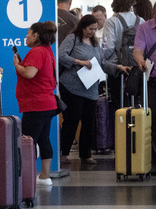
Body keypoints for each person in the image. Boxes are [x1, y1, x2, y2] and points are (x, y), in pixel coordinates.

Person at [59, 14, 128, 165]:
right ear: (83, 27)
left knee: (89, 121)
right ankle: (64, 153)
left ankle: (85, 154)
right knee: (72, 119)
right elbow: (61, 56)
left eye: (95, 29)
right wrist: (80, 62)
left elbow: (102, 63)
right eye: (90, 29)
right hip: (72, 87)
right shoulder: (72, 39)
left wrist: (118, 67)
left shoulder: (95, 44)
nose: (92, 32)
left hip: (90, 88)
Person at [13, 21, 59, 186]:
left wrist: (18, 65)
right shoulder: (47, 50)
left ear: (36, 36)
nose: (26, 37)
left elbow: (30, 73)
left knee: (28, 141)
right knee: (44, 139)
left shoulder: (36, 51)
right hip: (48, 103)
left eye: (28, 33)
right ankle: (44, 177)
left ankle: (27, 178)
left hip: (35, 104)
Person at [102, 0, 142, 111]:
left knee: (119, 107)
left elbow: (108, 48)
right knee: (136, 106)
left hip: (118, 71)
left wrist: (113, 65)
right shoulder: (140, 21)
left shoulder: (112, 21)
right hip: (137, 70)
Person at [132, 3, 156, 163]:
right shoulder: (144, 28)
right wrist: (141, 63)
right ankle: (152, 156)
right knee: (152, 119)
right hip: (152, 80)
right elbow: (138, 50)